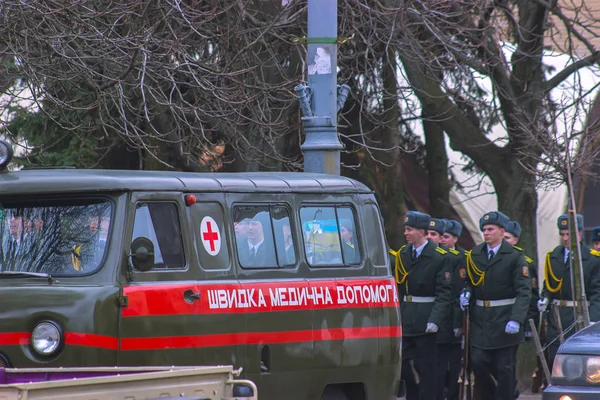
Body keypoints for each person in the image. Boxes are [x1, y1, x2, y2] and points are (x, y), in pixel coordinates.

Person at [459, 211, 531, 400]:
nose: (486, 233)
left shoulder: (514, 256)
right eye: (484, 230)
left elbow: (524, 291)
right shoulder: (476, 254)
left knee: (504, 368)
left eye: (490, 229)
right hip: (482, 319)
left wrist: (516, 319)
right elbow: (470, 281)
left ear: (501, 231)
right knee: (478, 362)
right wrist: (466, 293)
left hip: (505, 317)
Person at [391, 211, 452, 400]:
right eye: (405, 229)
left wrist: (435, 320)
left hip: (426, 320)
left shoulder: (439, 257)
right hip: (407, 318)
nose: (405, 233)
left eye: (410, 229)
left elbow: (444, 294)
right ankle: (414, 394)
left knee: (427, 370)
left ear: (422, 232)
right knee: (399, 364)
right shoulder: (403, 253)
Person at [537, 214, 600, 371]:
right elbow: (549, 284)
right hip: (556, 315)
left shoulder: (592, 259)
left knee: (576, 359)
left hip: (578, 315)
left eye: (569, 234)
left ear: (579, 234)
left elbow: (597, 293)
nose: (565, 238)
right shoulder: (553, 256)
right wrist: (545, 298)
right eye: (562, 234)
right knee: (554, 354)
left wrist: (592, 319)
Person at [428, 218, 465, 400]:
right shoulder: (435, 257)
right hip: (437, 317)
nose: (442, 240)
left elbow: (457, 291)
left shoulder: (462, 259)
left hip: (452, 318)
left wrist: (458, 322)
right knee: (437, 365)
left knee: (454, 365)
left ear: (455, 239)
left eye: (445, 236)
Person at [504, 220, 539, 399]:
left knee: (508, 360)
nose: (504, 241)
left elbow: (530, 296)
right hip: (495, 316)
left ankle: (511, 390)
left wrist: (526, 324)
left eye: (507, 238)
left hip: (515, 316)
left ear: (515, 240)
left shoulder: (525, 262)